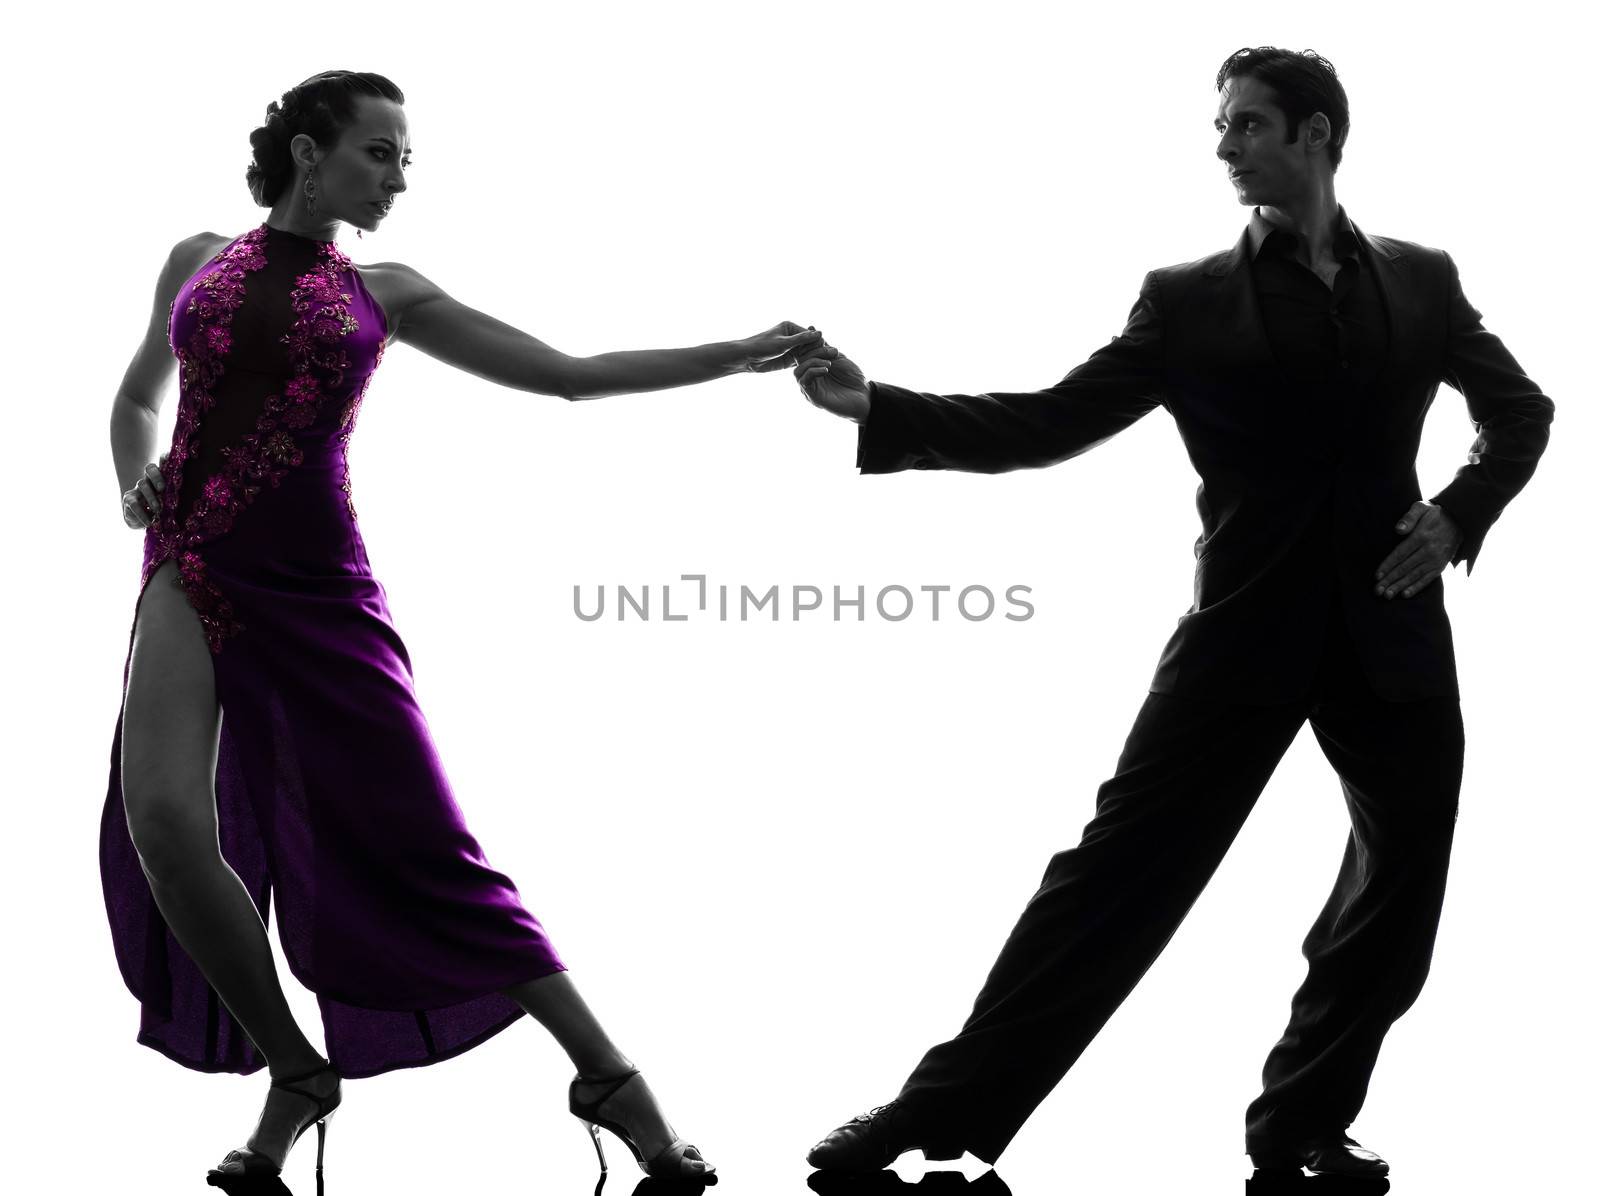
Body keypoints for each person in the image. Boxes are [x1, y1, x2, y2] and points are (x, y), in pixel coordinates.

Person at [791, 46, 1553, 1180]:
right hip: (1241, 635)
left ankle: (1301, 1125)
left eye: (1247, 124)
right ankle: (930, 1110)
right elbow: (1051, 422)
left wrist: (1456, 512)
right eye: (1223, 125)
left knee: (1397, 895)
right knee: (1110, 882)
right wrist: (877, 405)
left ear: (1317, 134)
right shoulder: (1187, 300)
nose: (1223, 144)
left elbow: (1518, 407)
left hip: (1392, 640)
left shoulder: (1423, 278)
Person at [105, 68, 818, 1190]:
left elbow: (570, 377)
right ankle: (295, 1072)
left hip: (321, 591)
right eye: (379, 151)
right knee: (163, 822)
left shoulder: (388, 291)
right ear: (308, 152)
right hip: (188, 568)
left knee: (427, 847)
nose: (398, 175)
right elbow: (138, 396)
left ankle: (611, 1080)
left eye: (405, 157)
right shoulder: (195, 257)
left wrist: (734, 353)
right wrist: (132, 477)